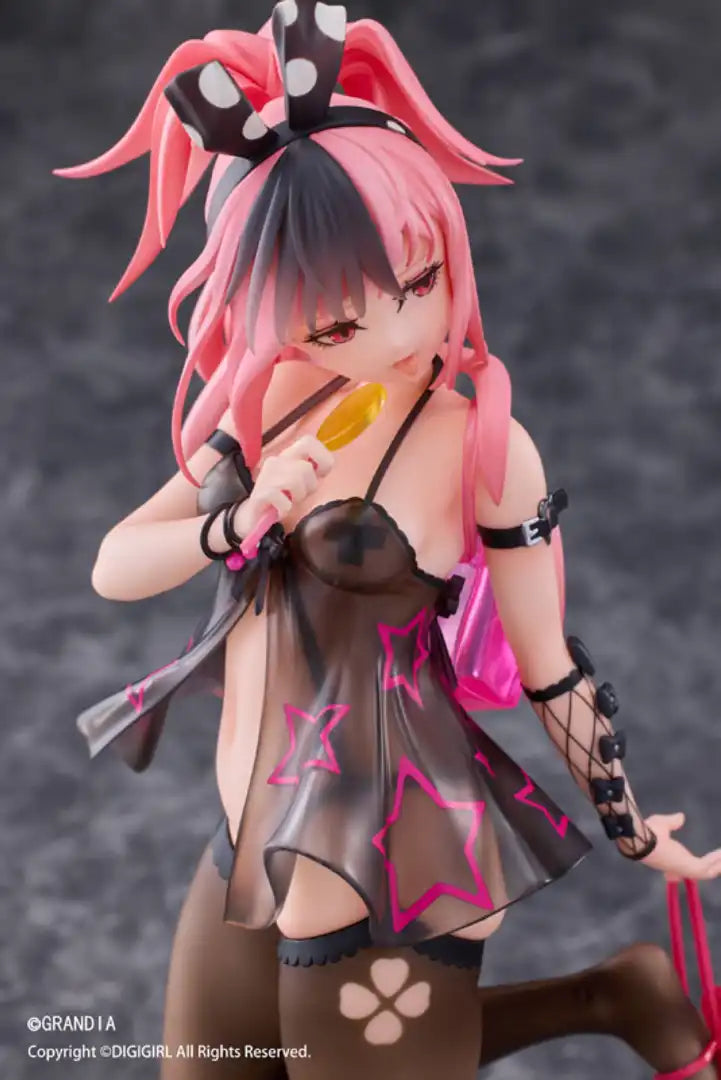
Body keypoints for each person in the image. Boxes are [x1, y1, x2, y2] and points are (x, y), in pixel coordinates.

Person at [57, 3, 720, 1077]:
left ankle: (621, 996)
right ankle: (614, 993)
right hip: (253, 824)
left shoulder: (481, 449)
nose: (406, 333)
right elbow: (114, 566)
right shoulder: (277, 405)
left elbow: (547, 666)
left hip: (389, 840)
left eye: (422, 280)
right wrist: (235, 519)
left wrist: (628, 823)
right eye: (336, 320)